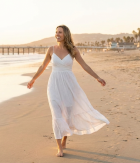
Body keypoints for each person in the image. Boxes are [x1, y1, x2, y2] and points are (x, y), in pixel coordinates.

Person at [27, 25, 110, 157]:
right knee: (56, 115)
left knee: (68, 114)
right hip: (54, 85)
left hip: (69, 85)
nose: (57, 34)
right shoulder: (51, 49)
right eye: (56, 32)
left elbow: (84, 65)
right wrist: (33, 79)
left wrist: (97, 77)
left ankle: (65, 138)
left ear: (65, 34)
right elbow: (43, 66)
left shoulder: (73, 50)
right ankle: (59, 147)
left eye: (59, 32)